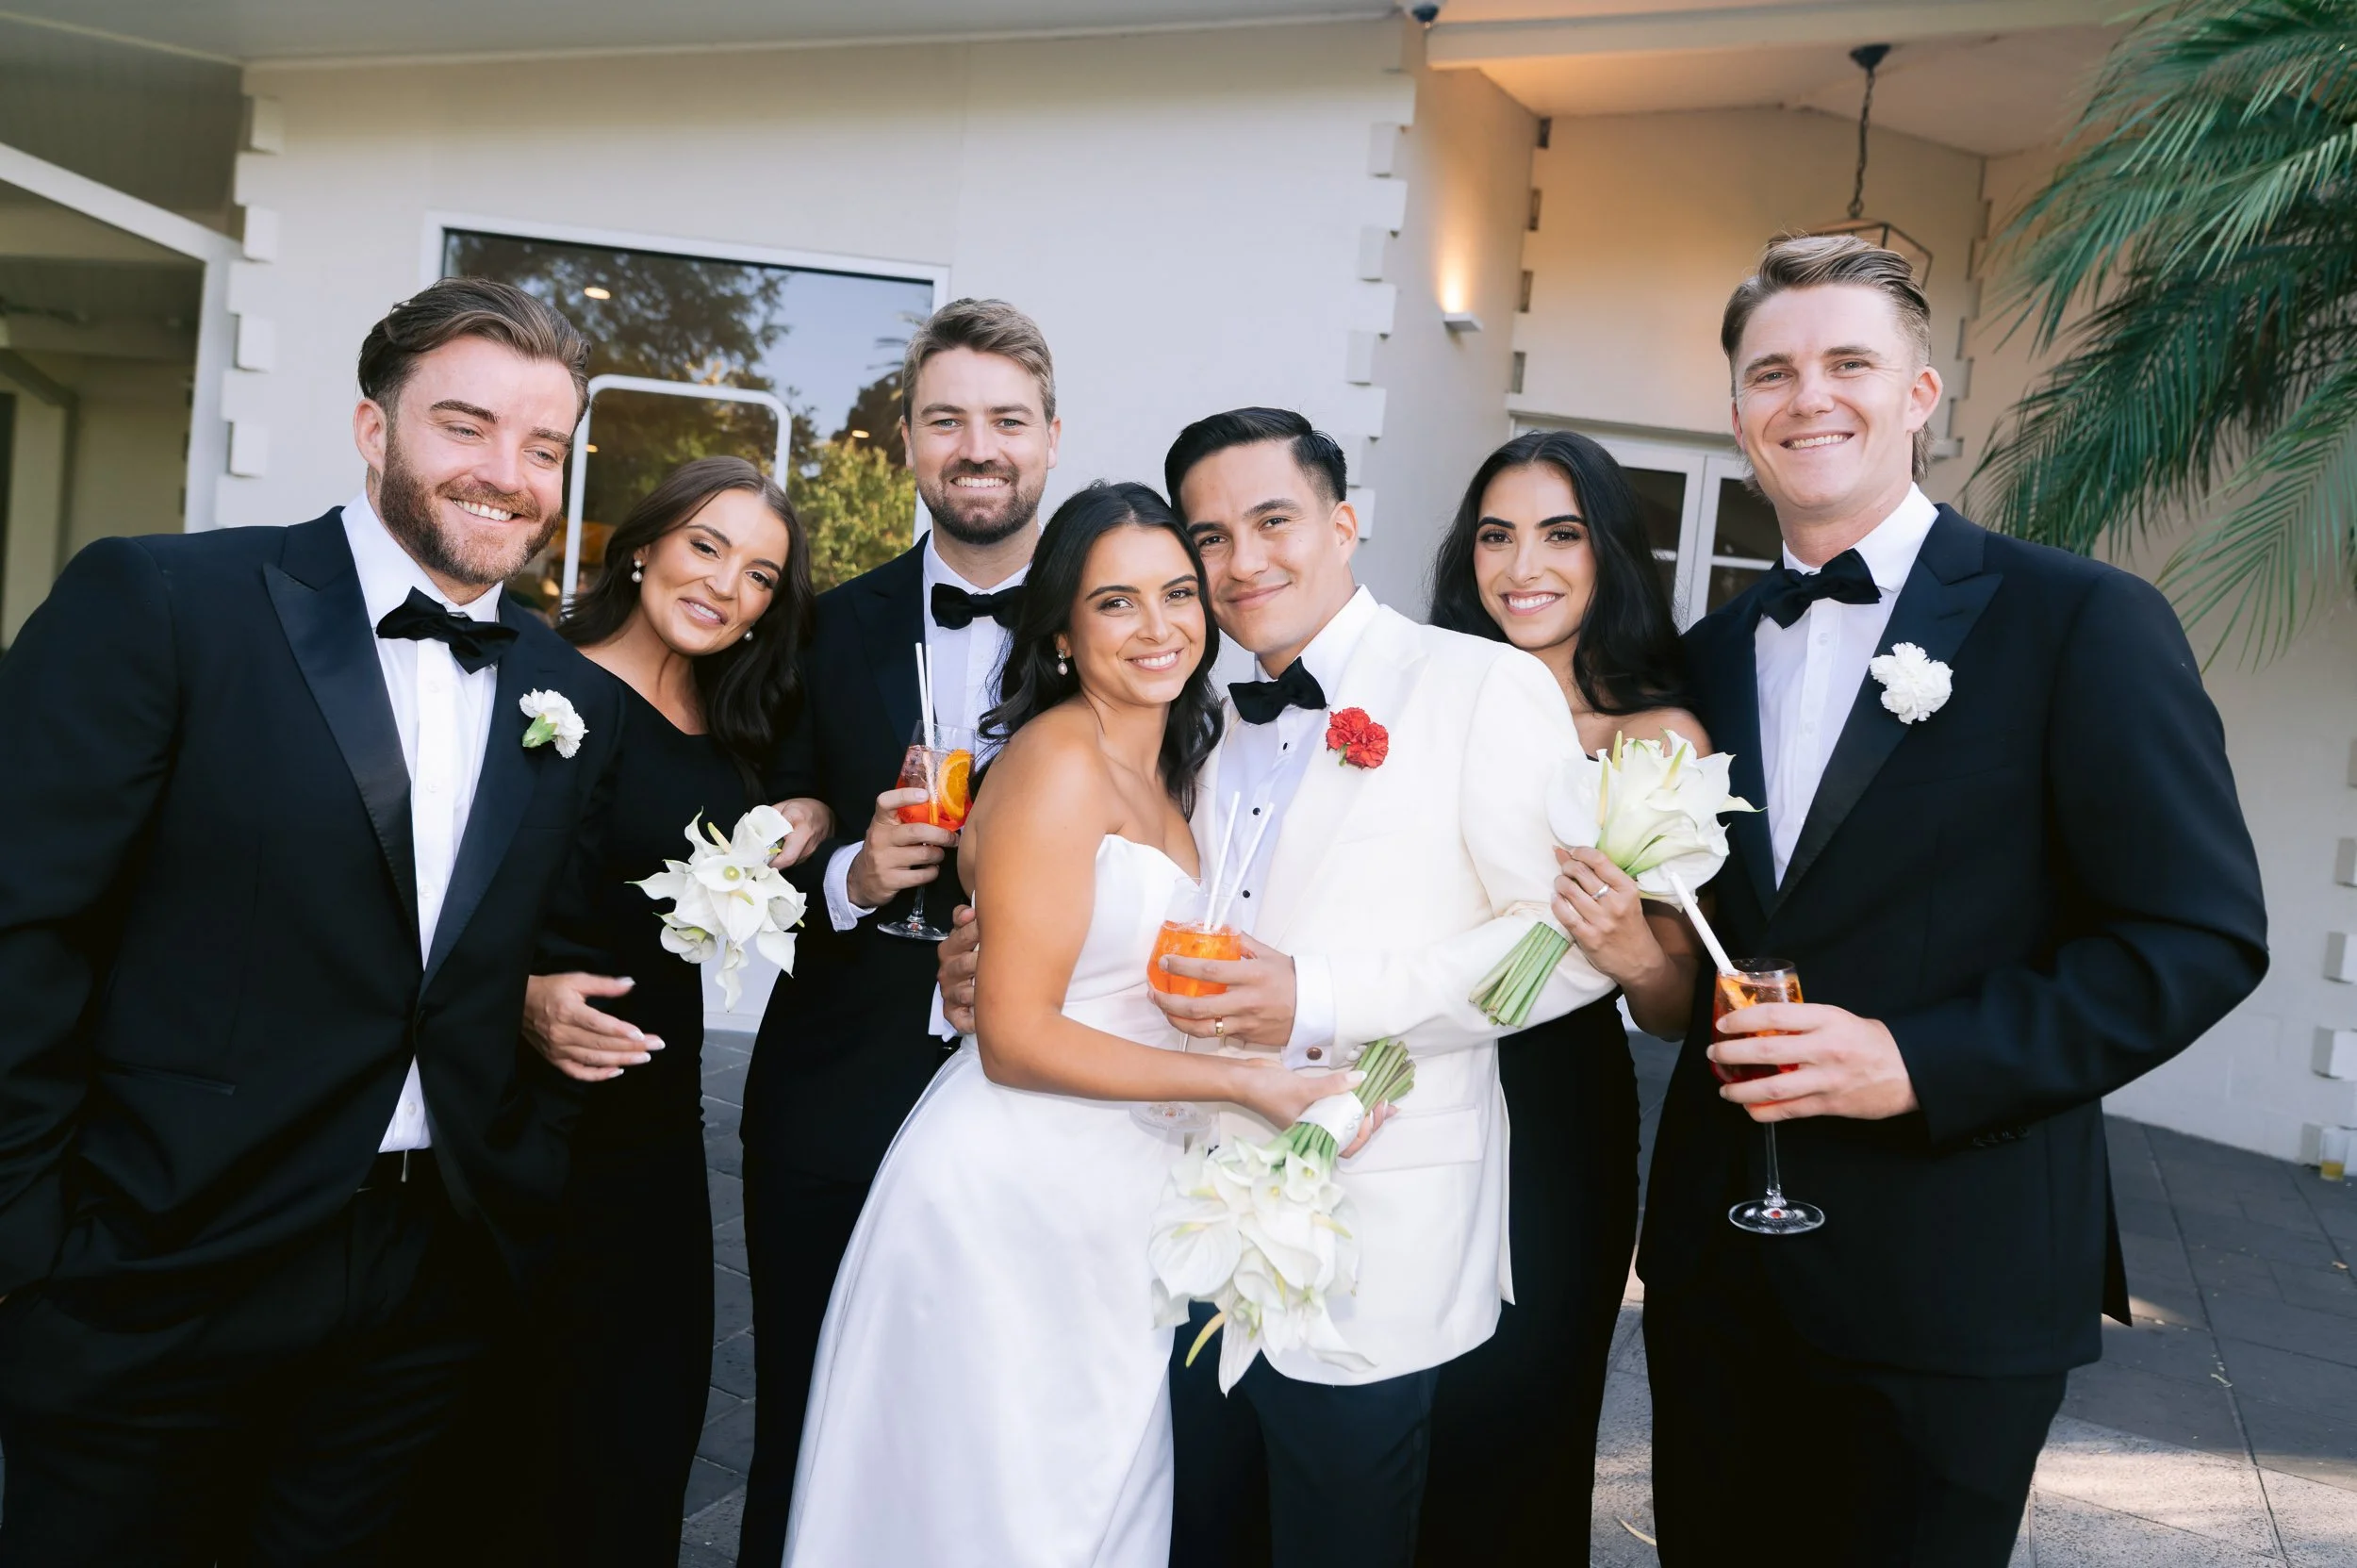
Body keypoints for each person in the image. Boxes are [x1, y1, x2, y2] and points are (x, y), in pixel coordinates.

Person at [1641, 235, 2267, 1566]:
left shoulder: (2081, 619)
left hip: (1954, 1278)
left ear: (1919, 394)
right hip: (1719, 1273)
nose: (1810, 396)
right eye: (1772, 372)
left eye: (1849, 362)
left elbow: (2197, 935)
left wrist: (1916, 1061)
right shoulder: (1704, 656)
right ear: (1738, 412)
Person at [0, 278, 625, 1562]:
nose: (507, 474)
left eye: (544, 446)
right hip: (157, 1256)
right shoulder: (167, 600)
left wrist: (518, 1165)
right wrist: (30, 1240)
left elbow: (521, 947)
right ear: (371, 427)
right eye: (465, 425)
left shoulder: (572, 695)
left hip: (425, 1277)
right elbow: (26, 920)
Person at [946, 407, 1616, 1568]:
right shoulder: (1195, 718)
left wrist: (1317, 997)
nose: (1241, 561)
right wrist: (1000, 954)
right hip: (1174, 1225)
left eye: (1272, 521)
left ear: (1342, 525)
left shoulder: (1479, 684)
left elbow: (1563, 946)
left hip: (1370, 1235)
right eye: (1208, 538)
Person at [786, 481, 1359, 1566]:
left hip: (1118, 1201)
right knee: (1001, 1524)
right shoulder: (1056, 760)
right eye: (1114, 602)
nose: (1158, 626)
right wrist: (1244, 1085)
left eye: (1176, 593)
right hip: (1011, 1200)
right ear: (1059, 631)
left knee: (1091, 1514)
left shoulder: (1181, 766)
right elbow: (1013, 1037)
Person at [733, 297, 1062, 1568]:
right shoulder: (821, 623)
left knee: (989, 1438)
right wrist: (853, 876)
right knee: (804, 1415)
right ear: (910, 440)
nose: (978, 447)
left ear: (1050, 436)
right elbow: (753, 825)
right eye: (947, 420)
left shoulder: (1114, 628)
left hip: (1037, 1099)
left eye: (1007, 420)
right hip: (834, 1083)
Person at [505, 457, 816, 1565]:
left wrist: (810, 810)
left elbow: (800, 800)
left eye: (760, 574)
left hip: (653, 1137)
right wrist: (516, 995)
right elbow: (432, 892)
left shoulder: (741, 721)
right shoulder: (535, 685)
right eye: (706, 546)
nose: (727, 585)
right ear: (642, 547)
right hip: (520, 1122)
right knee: (510, 1442)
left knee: (641, 1434)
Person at [1416, 429, 1706, 1561]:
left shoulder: (1654, 738)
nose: (1521, 565)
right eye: (1496, 536)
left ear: (1606, 555)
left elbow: (1674, 1004)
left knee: (1516, 1414)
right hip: (1406, 1072)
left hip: (1553, 1106)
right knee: (1389, 1404)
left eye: (1559, 534)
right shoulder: (1421, 706)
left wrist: (1629, 946)